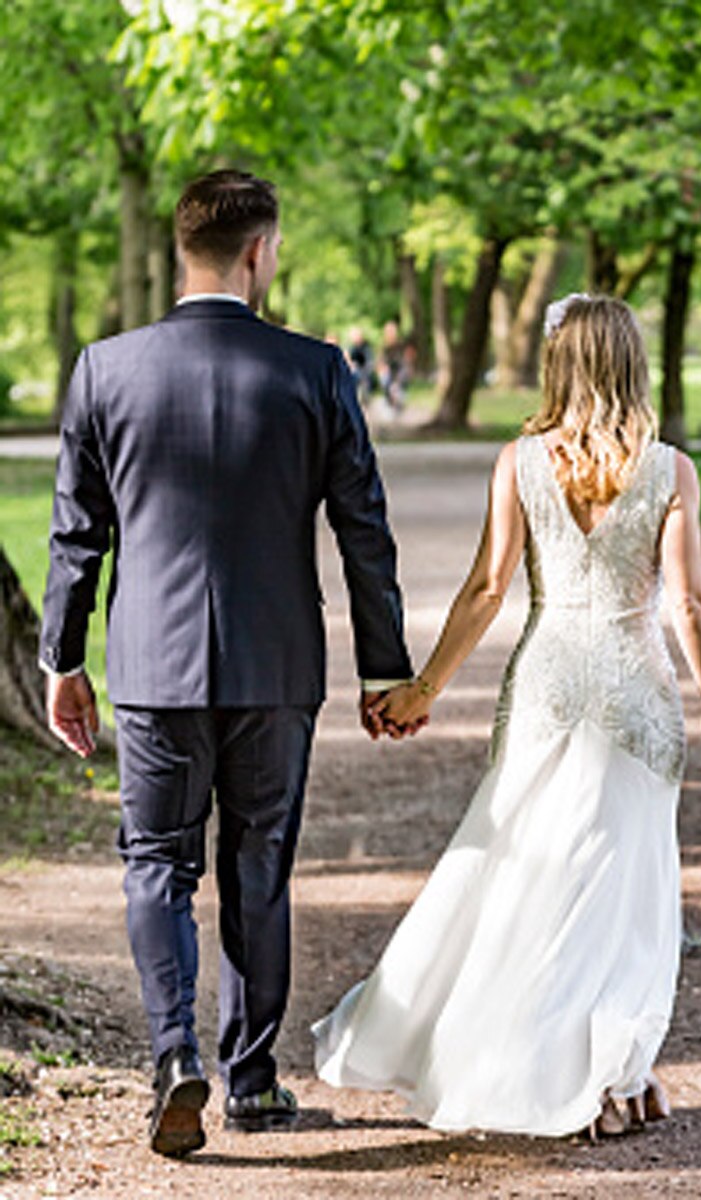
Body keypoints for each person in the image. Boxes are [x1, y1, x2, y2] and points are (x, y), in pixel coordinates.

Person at [39, 169, 414, 1158]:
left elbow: (76, 534)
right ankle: (251, 1078)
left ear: (183, 250)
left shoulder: (104, 370)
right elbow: (361, 528)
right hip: (276, 665)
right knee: (261, 866)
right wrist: (386, 670)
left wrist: (60, 659)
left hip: (154, 666)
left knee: (156, 863)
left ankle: (174, 1057)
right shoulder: (317, 370)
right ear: (260, 252)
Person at [313, 294, 701, 1139]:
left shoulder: (520, 462)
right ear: (632, 363)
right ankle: (608, 1078)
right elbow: (687, 602)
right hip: (636, 694)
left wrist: (423, 687)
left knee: (528, 871)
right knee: (621, 892)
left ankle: (583, 1072)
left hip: (545, 686)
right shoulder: (670, 470)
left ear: (558, 364)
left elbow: (485, 588)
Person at [378, 319, 407, 412]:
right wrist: (383, 367)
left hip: (399, 370)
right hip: (389, 372)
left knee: (397, 383)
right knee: (385, 378)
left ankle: (397, 399)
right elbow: (380, 361)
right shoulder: (384, 347)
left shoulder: (401, 345)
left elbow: (404, 362)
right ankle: (389, 400)